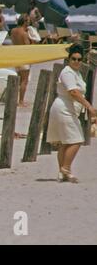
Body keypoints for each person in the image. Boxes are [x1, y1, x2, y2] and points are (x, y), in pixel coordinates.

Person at [46, 44, 96, 183]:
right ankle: (66, 169)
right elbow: (73, 92)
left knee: (66, 142)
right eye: (73, 59)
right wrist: (89, 107)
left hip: (68, 108)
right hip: (64, 108)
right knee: (77, 140)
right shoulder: (67, 72)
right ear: (69, 59)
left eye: (79, 59)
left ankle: (62, 173)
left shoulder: (76, 73)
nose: (76, 61)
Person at [11, 14, 32, 107]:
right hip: (24, 57)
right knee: (24, 80)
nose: (29, 23)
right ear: (24, 22)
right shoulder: (24, 33)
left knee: (19, 80)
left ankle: (15, 99)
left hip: (16, 56)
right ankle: (21, 101)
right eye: (28, 21)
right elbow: (27, 47)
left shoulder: (13, 31)